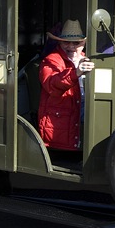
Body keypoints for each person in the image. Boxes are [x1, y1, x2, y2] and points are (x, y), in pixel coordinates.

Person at [38, 20, 94, 151]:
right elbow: (52, 85)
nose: (71, 47)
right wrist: (76, 73)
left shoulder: (88, 59)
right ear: (59, 42)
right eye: (66, 42)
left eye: (76, 43)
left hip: (82, 119)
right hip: (59, 128)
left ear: (84, 43)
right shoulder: (50, 60)